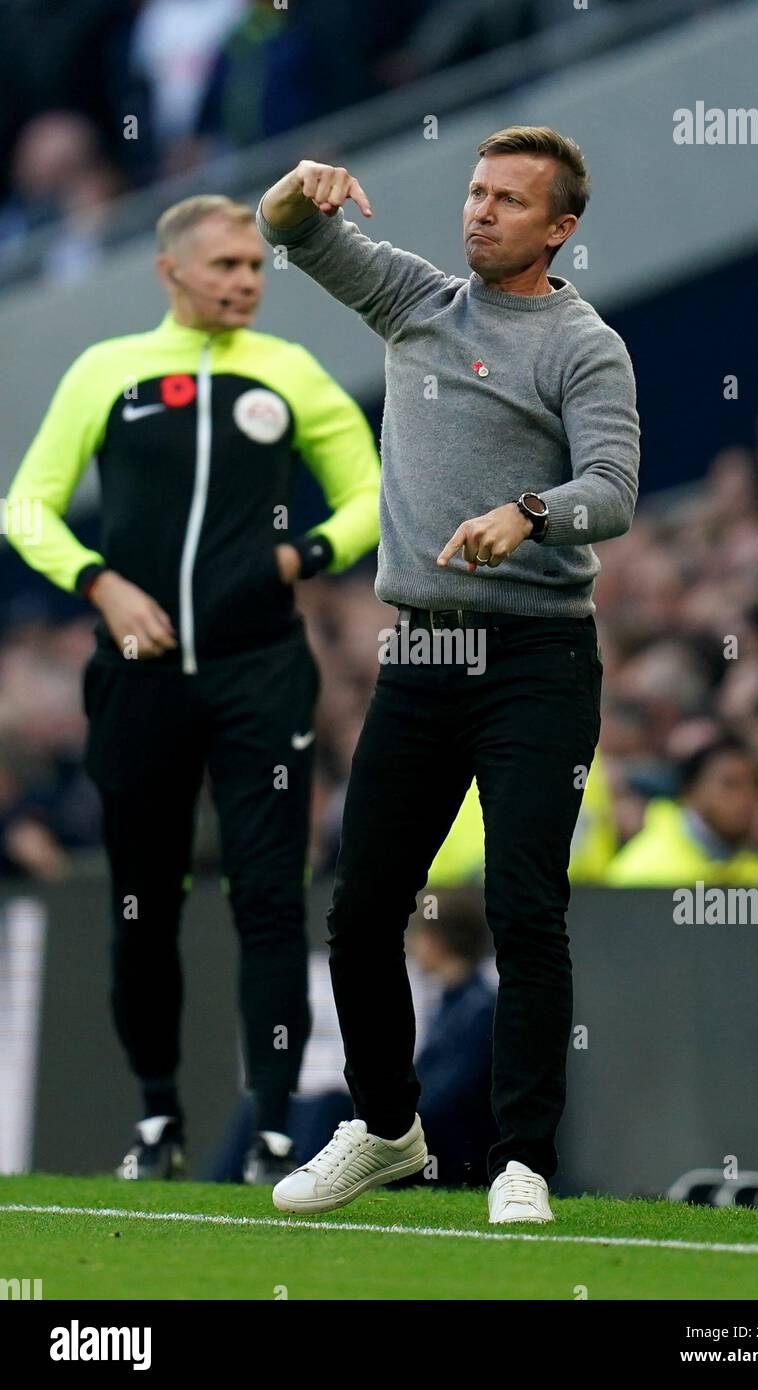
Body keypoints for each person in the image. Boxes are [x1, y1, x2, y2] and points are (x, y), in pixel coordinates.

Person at [256, 124, 640, 1222]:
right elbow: (286, 229)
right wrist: (297, 188)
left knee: (524, 906)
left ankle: (522, 1159)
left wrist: (527, 514)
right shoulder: (415, 298)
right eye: (475, 192)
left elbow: (611, 486)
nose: (479, 212)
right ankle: (386, 1129)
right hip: (421, 650)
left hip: (535, 656)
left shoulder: (582, 342)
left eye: (508, 201)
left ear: (558, 228)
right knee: (363, 906)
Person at [5, 194, 380, 1185]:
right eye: (223, 266)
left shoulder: (289, 372)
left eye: (255, 267)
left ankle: (268, 1128)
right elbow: (26, 507)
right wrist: (101, 582)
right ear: (171, 271)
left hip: (260, 670)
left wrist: (308, 554)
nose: (245, 282)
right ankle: (158, 1116)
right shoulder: (106, 370)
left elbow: (373, 492)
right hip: (139, 674)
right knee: (143, 901)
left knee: (270, 898)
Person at [605, 735, 758, 886]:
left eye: (756, 786)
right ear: (692, 790)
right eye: (730, 785)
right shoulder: (643, 870)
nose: (747, 798)